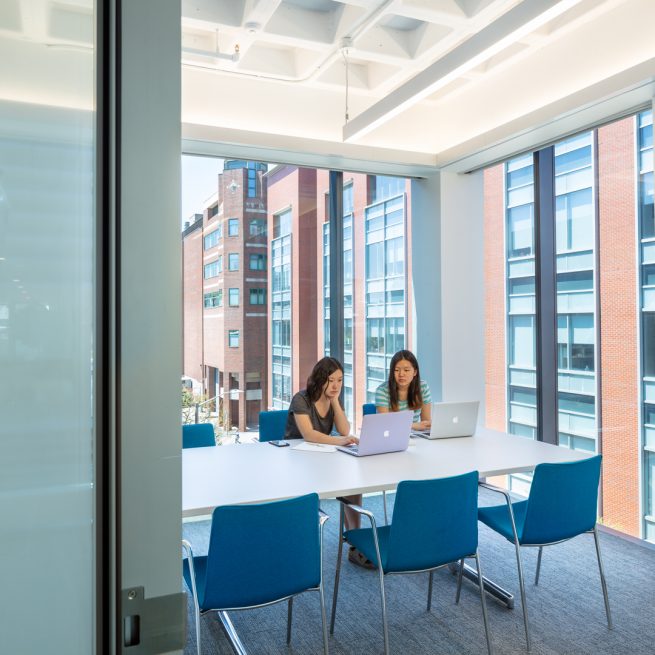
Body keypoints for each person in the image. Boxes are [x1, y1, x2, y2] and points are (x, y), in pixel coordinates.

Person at [285, 357, 374, 569]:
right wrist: (340, 441)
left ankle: (355, 543)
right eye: (330, 380)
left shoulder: (333, 399)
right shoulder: (302, 399)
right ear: (319, 379)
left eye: (340, 381)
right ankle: (299, 544)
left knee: (353, 485)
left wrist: (334, 401)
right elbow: (308, 434)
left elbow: (344, 430)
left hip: (322, 455)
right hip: (295, 458)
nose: (335, 385)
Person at [375, 349, 432, 432]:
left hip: (414, 438)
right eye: (396, 370)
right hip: (390, 438)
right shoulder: (382, 391)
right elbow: (385, 425)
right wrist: (413, 426)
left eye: (406, 370)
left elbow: (426, 423)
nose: (401, 374)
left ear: (415, 372)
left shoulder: (423, 387)